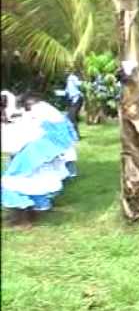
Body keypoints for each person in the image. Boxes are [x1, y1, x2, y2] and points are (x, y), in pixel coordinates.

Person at [1, 93, 78, 228]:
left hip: (33, 154)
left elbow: (13, 145)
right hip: (42, 153)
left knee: (12, 183)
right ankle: (30, 214)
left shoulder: (28, 117)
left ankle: (21, 221)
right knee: (30, 184)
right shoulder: (38, 112)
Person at [64, 67, 84, 138]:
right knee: (70, 117)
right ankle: (73, 135)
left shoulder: (72, 78)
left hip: (77, 98)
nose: (65, 72)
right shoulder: (68, 80)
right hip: (73, 100)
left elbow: (79, 84)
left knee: (72, 117)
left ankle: (76, 136)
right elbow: (67, 91)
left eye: (66, 71)